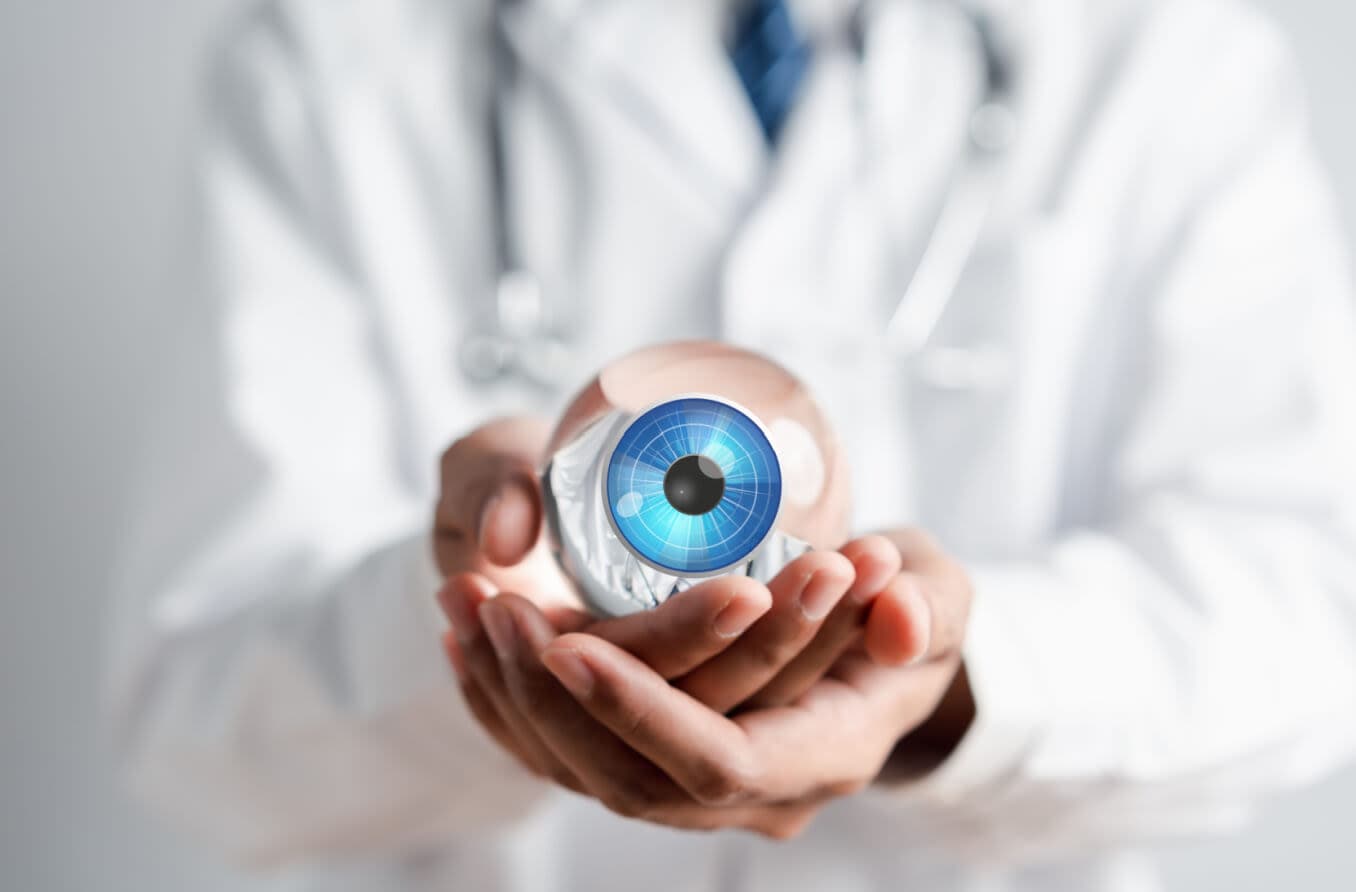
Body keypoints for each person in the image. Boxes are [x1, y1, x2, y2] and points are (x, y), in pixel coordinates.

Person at [107, 0, 1356, 889]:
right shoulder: (332, 56)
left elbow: (1307, 608)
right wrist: (484, 634)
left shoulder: (1167, 55)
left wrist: (953, 687)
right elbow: (198, 716)